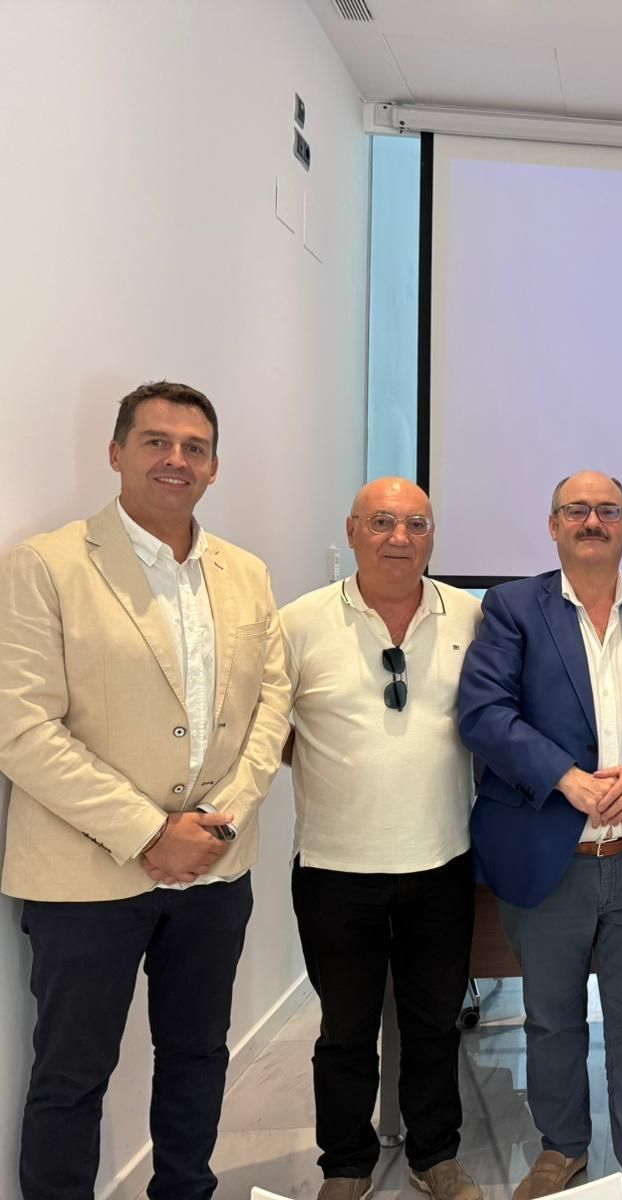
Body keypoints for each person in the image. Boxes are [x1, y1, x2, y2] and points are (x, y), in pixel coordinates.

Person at [0, 380, 292, 1200]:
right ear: (117, 452)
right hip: (84, 872)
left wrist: (217, 822)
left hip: (216, 866)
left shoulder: (245, 572)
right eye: (156, 441)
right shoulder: (45, 566)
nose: (175, 459)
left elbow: (271, 707)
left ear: (214, 467)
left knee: (198, 1054)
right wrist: (147, 832)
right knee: (72, 1074)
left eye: (193, 447)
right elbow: (20, 728)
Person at [457, 471, 622, 1200]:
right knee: (551, 1018)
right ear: (553, 526)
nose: (593, 521)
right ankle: (562, 1148)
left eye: (608, 511)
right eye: (577, 510)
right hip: (552, 857)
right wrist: (566, 779)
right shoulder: (513, 607)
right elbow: (484, 713)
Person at [280, 478, 484, 1200]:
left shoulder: (471, 614)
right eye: (383, 522)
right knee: (345, 1030)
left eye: (416, 523)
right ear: (354, 530)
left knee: (434, 1024)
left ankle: (436, 1156)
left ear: (433, 534)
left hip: (441, 862)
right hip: (336, 868)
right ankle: (345, 1163)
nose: (400, 537)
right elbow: (271, 736)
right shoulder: (298, 623)